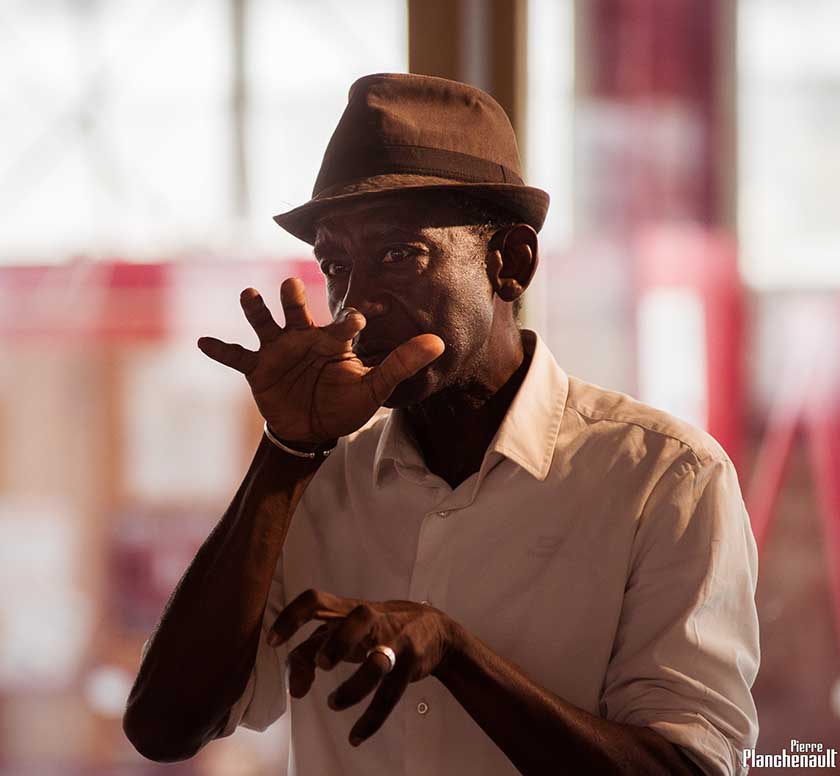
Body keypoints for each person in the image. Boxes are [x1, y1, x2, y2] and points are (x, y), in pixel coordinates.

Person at [122, 73, 759, 776]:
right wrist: (285, 449)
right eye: (336, 265)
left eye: (399, 254)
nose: (356, 304)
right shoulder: (314, 479)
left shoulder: (663, 478)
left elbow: (686, 766)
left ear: (509, 263)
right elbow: (163, 727)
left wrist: (456, 654)